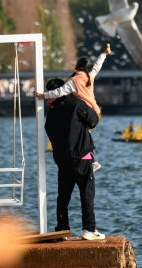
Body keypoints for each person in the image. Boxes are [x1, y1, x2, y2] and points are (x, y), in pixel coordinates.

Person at [42, 78, 104, 240]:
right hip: (82, 157)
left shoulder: (52, 111)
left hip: (63, 160)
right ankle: (89, 229)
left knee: (63, 196)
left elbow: (49, 129)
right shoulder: (76, 103)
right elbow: (93, 121)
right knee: (87, 194)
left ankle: (61, 230)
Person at [36, 44, 110, 172]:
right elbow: (97, 66)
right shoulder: (89, 77)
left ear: (77, 67)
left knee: (83, 134)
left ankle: (94, 161)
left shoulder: (74, 81)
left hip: (84, 112)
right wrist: (104, 54)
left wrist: (44, 95)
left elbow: (59, 92)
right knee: (85, 134)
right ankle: (93, 160)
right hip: (95, 111)